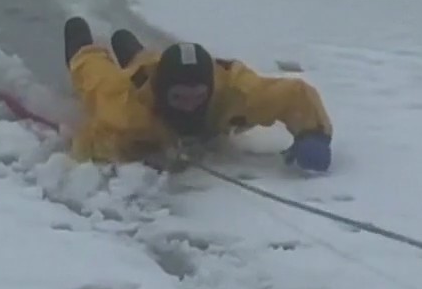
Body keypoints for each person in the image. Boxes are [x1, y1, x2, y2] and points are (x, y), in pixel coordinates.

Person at [61, 15, 333, 172]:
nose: (189, 107)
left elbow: (293, 95)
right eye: (179, 98)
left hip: (157, 67)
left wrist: (312, 134)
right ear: (161, 92)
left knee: (145, 58)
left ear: (212, 89)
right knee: (91, 68)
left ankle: (128, 44)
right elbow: (94, 140)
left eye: (197, 97)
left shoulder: (237, 91)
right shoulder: (127, 108)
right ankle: (79, 33)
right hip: (131, 80)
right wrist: (138, 151)